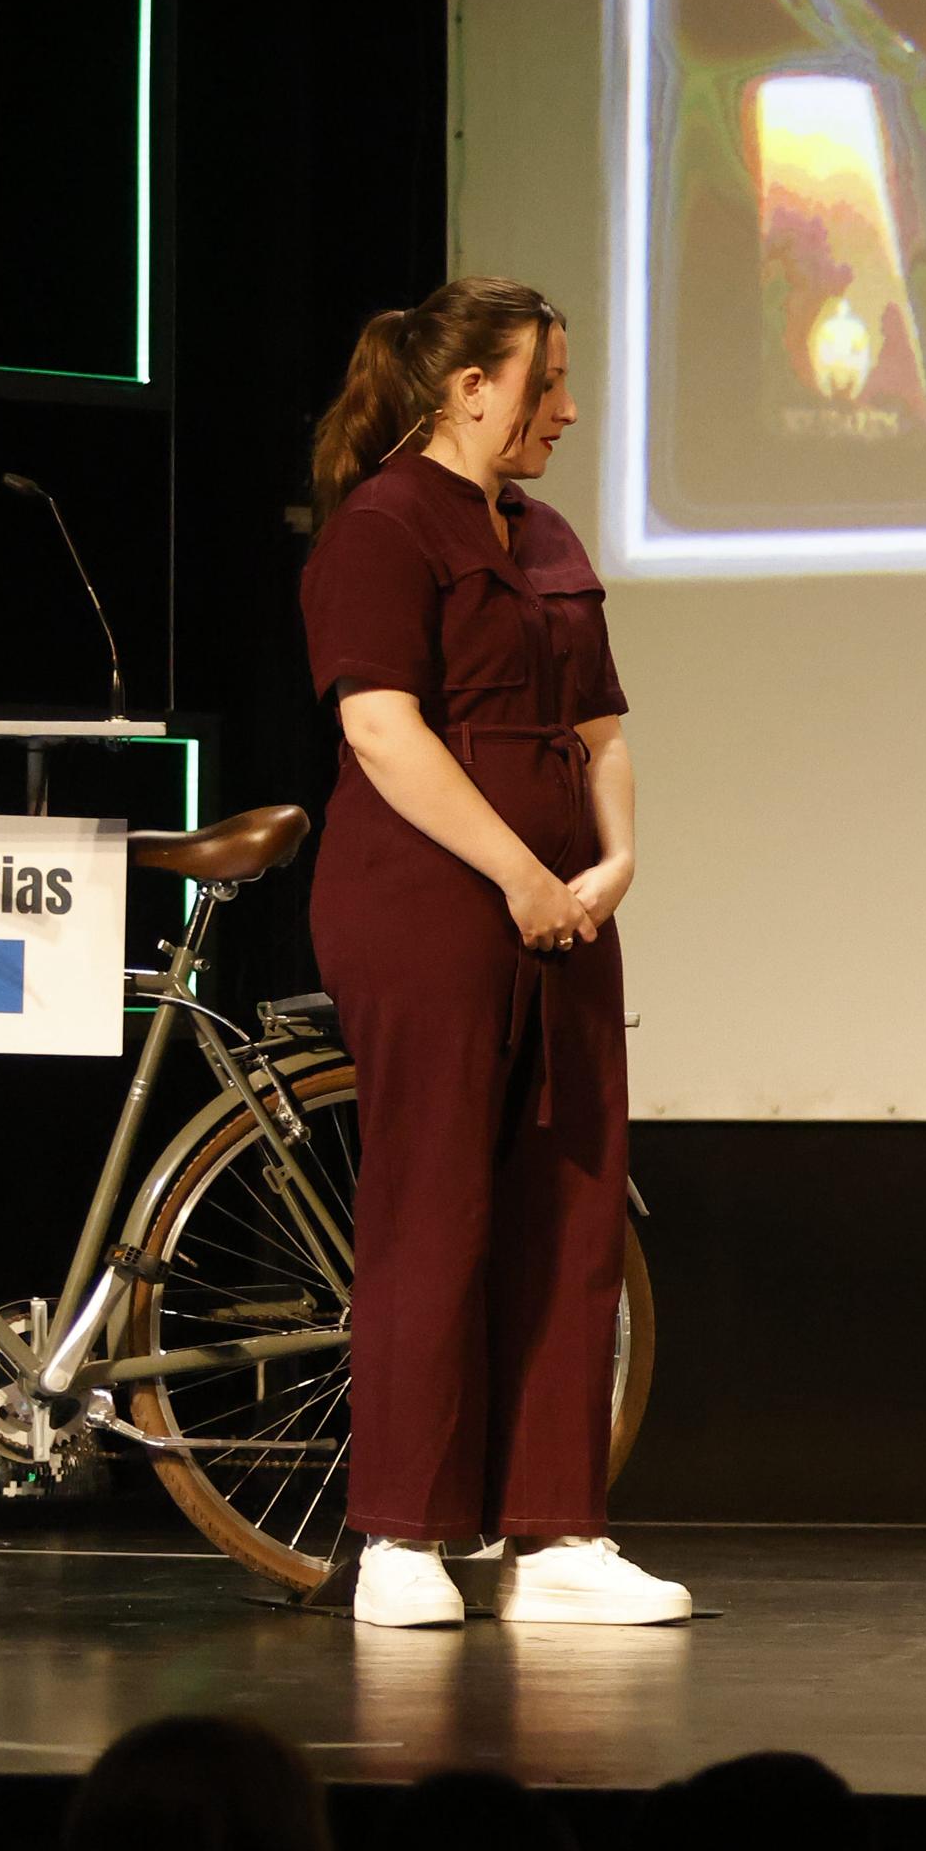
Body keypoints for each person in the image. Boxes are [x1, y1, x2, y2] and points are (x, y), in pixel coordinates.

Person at [300, 278, 683, 1630]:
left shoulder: (550, 532)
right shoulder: (383, 526)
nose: (568, 410)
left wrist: (610, 862)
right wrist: (519, 876)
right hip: (426, 897)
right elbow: (384, 732)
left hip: (567, 905)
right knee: (437, 1201)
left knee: (575, 1201)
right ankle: (402, 1533)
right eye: (548, 383)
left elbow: (601, 730)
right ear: (472, 388)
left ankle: (556, 1533)